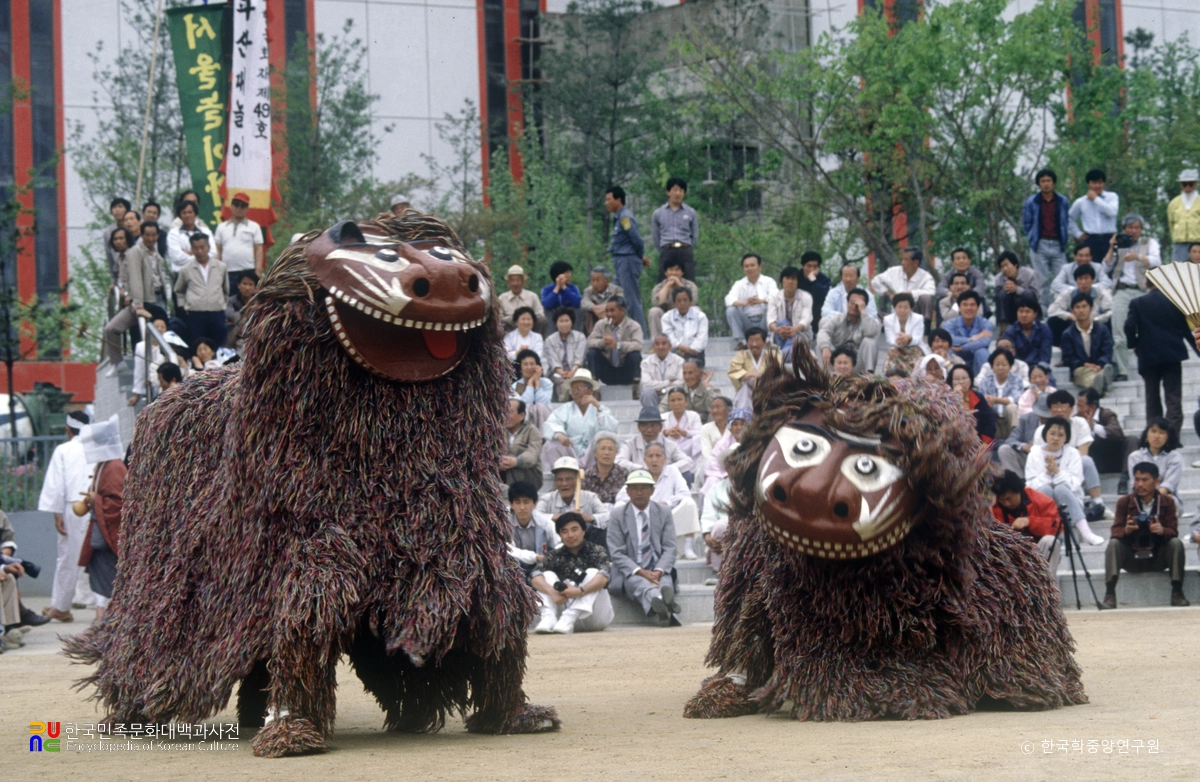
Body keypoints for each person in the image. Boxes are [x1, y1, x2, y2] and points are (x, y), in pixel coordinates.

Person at [1102, 462, 1188, 609]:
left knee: (1176, 543)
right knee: (1114, 544)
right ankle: (1110, 593)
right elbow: (1115, 531)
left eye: (1145, 480)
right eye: (1137, 479)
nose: (1139, 484)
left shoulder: (1167, 502)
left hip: (1158, 555)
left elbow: (1173, 531)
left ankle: (1177, 591)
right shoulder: (1125, 502)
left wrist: (1161, 530)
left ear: (1156, 482)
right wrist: (1127, 530)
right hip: (1132, 555)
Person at [36, 411, 96, 622]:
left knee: (68, 559)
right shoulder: (97, 446)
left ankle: (61, 606)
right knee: (102, 555)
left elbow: (56, 485)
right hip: (97, 504)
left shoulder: (64, 450)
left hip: (74, 507)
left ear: (68, 429)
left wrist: (57, 515)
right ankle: (106, 608)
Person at [605, 469, 680, 625]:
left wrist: (658, 571)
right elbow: (616, 552)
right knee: (641, 584)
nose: (639, 492)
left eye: (644, 488)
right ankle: (665, 604)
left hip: (658, 567)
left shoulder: (664, 512)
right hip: (631, 571)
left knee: (665, 582)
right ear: (627, 491)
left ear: (652, 491)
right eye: (634, 488)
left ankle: (660, 604)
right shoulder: (617, 514)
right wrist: (641, 572)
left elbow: (670, 547)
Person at [1124, 280, 1194, 436]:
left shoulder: (1137, 303)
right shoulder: (1176, 302)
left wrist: (1134, 344)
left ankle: (1155, 436)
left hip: (1148, 355)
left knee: (1152, 399)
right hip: (1172, 354)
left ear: (1147, 284)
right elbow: (1186, 330)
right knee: (1173, 398)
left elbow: (1129, 325)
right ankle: (1172, 437)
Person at [76, 417, 127, 622]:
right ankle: (104, 613)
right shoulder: (103, 465)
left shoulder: (114, 467)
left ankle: (112, 615)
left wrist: (95, 499)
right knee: (99, 569)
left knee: (111, 574)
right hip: (100, 530)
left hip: (109, 533)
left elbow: (119, 502)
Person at [1025, 416, 1104, 546]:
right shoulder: (1034, 454)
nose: (1056, 438)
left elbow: (1075, 483)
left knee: (1060, 488)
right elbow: (1030, 486)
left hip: (1069, 501)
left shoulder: (1073, 453)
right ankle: (1051, 534)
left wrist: (1057, 471)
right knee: (1046, 489)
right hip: (1043, 504)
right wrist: (1047, 474)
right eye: (1052, 433)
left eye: (1061, 435)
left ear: (1066, 438)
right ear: (1045, 434)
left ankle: (1086, 533)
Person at [530, 513, 614, 634]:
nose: (570, 535)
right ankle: (548, 617)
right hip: (562, 617)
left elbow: (604, 577)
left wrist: (579, 591)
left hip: (594, 617)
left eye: (574, 530)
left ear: (583, 531)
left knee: (593, 573)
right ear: (560, 535)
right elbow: (534, 576)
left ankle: (571, 615)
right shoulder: (555, 555)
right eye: (565, 531)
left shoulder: (598, 551)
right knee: (546, 574)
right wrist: (551, 591)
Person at [615, 443, 700, 560]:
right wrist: (642, 504)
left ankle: (688, 547)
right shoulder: (639, 473)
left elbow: (684, 493)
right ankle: (623, 546)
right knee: (619, 506)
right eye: (650, 456)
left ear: (665, 459)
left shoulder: (672, 471)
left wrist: (667, 503)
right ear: (644, 459)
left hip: (668, 516)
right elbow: (620, 497)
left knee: (689, 503)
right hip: (643, 517)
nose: (654, 460)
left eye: (658, 456)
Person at [102, 222, 166, 375]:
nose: (150, 238)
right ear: (141, 236)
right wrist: (138, 304)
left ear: (157, 236)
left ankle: (159, 369)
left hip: (159, 299)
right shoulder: (135, 252)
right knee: (111, 329)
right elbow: (135, 278)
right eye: (147, 235)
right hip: (143, 301)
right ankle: (118, 363)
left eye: (153, 235)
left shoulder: (156, 254)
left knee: (160, 335)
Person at [1103, 212, 1161, 381]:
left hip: (1143, 290)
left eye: (1137, 228)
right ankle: (1123, 370)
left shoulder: (1149, 243)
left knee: (1149, 330)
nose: (1134, 231)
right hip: (1121, 290)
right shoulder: (1119, 244)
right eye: (1130, 227)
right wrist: (1111, 246)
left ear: (1141, 230)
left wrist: (1139, 257)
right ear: (1124, 229)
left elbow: (1157, 260)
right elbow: (1105, 268)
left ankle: (1152, 366)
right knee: (1119, 331)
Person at [540, 370, 618, 470]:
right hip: (570, 452)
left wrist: (598, 407)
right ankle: (563, 472)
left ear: (590, 391)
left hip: (593, 455)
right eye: (572, 390)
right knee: (551, 445)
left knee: (602, 443)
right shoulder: (565, 409)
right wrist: (560, 435)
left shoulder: (601, 409)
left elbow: (611, 430)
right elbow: (550, 423)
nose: (575, 393)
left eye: (578, 389)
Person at [991, 470, 1063, 576]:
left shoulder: (1041, 500)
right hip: (1010, 554)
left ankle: (1048, 586)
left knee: (1050, 541)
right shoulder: (992, 509)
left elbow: (1057, 526)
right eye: (1002, 500)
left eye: (1009, 498)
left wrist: (1030, 521)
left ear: (1019, 491)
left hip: (1039, 550)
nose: (1006, 503)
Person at [1022, 168, 1071, 307]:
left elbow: (1066, 221)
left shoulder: (1062, 201)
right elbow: (1026, 224)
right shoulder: (1032, 202)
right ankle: (1045, 313)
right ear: (1039, 184)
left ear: (1053, 183)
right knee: (1042, 282)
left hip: (1057, 244)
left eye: (1048, 180)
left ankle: (1061, 310)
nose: (1046, 184)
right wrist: (1032, 238)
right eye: (1043, 181)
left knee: (1062, 280)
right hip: (1040, 244)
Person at [174, 233, 229, 349]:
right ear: (191, 249)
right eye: (195, 248)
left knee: (218, 344)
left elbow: (226, 289)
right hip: (195, 313)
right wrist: (184, 306)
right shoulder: (186, 269)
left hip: (216, 312)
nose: (199, 251)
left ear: (208, 247)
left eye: (202, 247)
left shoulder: (221, 267)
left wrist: (222, 304)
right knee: (196, 345)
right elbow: (178, 290)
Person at [1076, 387, 1138, 492]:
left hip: (1115, 458)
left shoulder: (1107, 414)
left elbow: (1117, 434)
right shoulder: (1077, 419)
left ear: (1092, 407)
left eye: (1080, 406)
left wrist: (1094, 427)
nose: (1078, 409)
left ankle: (1124, 479)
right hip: (1097, 462)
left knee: (1132, 440)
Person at [605, 184, 649, 329]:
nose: (606, 203)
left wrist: (638, 257)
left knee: (631, 300)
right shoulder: (618, 218)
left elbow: (636, 239)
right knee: (614, 296)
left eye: (609, 199)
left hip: (627, 261)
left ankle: (641, 335)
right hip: (619, 260)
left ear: (618, 200)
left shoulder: (625, 218)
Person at [616, 405, 695, 481]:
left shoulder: (670, 445)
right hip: (639, 480)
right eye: (645, 425)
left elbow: (687, 461)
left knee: (686, 474)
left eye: (653, 425)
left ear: (660, 427)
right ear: (638, 427)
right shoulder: (629, 444)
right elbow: (619, 461)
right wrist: (643, 469)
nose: (649, 430)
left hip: (665, 480)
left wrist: (664, 469)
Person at [537, 457, 611, 536]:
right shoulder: (547, 499)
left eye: (569, 479)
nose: (564, 484)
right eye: (560, 479)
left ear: (577, 480)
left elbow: (608, 516)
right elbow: (535, 516)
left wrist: (590, 518)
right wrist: (562, 517)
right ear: (555, 481)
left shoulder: (590, 497)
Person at [1059, 292, 1114, 396]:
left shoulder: (1102, 330)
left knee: (1104, 369)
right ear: (1073, 310)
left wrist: (1099, 364)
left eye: (1084, 306)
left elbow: (1107, 351)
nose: (1081, 310)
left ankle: (1101, 380)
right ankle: (1102, 383)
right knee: (1085, 375)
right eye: (1077, 307)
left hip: (1100, 365)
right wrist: (1085, 364)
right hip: (1080, 368)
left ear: (1091, 308)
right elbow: (1068, 358)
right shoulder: (1068, 334)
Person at [585, 297, 644, 392]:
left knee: (635, 355)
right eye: (607, 311)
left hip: (626, 370)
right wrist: (602, 343)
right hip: (607, 370)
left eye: (612, 311)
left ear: (622, 311)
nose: (609, 314)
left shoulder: (634, 325)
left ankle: (635, 389)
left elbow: (639, 345)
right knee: (592, 352)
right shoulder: (601, 324)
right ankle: (595, 389)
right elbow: (589, 342)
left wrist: (618, 345)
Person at [815, 288, 880, 374]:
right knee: (820, 346)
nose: (854, 306)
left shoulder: (869, 321)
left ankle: (868, 378)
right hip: (837, 362)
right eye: (851, 302)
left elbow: (870, 333)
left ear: (864, 306)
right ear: (847, 303)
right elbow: (823, 331)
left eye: (858, 304)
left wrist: (863, 311)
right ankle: (828, 378)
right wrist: (825, 347)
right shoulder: (838, 318)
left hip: (856, 364)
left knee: (870, 342)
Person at [505, 481, 559, 583]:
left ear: (535, 503)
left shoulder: (544, 521)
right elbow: (507, 549)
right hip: (511, 569)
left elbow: (559, 544)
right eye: (517, 502)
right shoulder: (502, 521)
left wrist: (550, 557)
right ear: (510, 504)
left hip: (540, 569)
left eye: (526, 502)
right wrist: (535, 557)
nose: (522, 507)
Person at [1046, 264, 1112, 345]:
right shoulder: (1068, 293)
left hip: (1096, 326)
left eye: (1086, 278)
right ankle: (1061, 346)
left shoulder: (1102, 293)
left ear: (1093, 280)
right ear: (1076, 281)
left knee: (1111, 322)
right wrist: (1069, 316)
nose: (1083, 282)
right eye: (1080, 279)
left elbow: (1112, 312)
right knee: (1053, 321)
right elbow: (1052, 310)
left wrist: (1097, 319)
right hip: (1074, 325)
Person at [724, 253, 778, 349]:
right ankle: (742, 342)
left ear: (760, 267)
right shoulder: (739, 284)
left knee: (774, 305)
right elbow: (728, 299)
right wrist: (745, 303)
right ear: (743, 269)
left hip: (764, 321)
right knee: (731, 310)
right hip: (747, 321)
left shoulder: (769, 281)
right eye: (746, 266)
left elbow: (777, 297)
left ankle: (770, 340)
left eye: (752, 265)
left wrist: (762, 301)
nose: (749, 268)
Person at [1068, 167, 1120, 266]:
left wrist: (1095, 199)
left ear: (1103, 183)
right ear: (1089, 184)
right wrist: (1078, 233)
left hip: (1109, 239)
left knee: (1111, 268)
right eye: (1094, 182)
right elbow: (1069, 219)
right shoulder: (1081, 202)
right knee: (1091, 269)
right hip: (1091, 239)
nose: (1097, 185)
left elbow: (1112, 212)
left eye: (1100, 182)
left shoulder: (1112, 197)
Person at [651, 176, 699, 281]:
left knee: (689, 281)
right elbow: (655, 236)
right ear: (668, 192)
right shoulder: (658, 213)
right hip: (667, 250)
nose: (678, 193)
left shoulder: (691, 212)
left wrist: (688, 247)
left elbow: (695, 235)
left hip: (685, 250)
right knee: (664, 282)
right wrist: (663, 248)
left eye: (681, 190)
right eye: (675, 190)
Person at [1126, 419, 1183, 507]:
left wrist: (1153, 500)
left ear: (1168, 436)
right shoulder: (1135, 456)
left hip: (1165, 496)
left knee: (1170, 501)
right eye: (1153, 431)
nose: (1157, 436)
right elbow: (1135, 482)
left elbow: (1168, 484)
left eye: (1162, 433)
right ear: (1146, 434)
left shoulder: (1174, 457)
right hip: (1140, 496)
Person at [870, 247, 936, 322]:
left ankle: (926, 329)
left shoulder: (925, 276)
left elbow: (931, 292)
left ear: (916, 263)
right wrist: (890, 294)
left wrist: (909, 293)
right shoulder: (894, 271)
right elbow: (875, 281)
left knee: (926, 298)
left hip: (916, 313)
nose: (902, 263)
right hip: (898, 312)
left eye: (906, 260)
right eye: (902, 259)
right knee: (876, 316)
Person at [213, 191, 264, 286]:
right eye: (236, 205)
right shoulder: (221, 227)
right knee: (227, 299)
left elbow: (259, 249)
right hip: (226, 271)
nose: (239, 208)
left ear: (247, 209)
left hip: (247, 271)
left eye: (243, 206)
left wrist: (257, 270)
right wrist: (217, 271)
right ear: (231, 206)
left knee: (248, 300)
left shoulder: (254, 226)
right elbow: (218, 251)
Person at [729, 327, 784, 410]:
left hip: (768, 390)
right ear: (747, 343)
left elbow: (778, 371)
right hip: (746, 392)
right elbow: (734, 372)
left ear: (764, 342)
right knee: (746, 386)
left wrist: (758, 376)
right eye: (751, 341)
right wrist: (752, 375)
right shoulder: (741, 355)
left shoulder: (773, 355)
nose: (754, 344)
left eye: (757, 340)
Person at [766, 265, 813, 361]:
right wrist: (777, 330)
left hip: (800, 334)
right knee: (782, 322)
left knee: (795, 341)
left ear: (798, 282)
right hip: (780, 335)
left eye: (793, 279)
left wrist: (794, 330)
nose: (790, 282)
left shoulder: (806, 297)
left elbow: (806, 318)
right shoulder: (774, 297)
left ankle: (780, 356)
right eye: (787, 278)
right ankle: (792, 353)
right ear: (782, 280)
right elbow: (770, 319)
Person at [977, 348, 1025, 441]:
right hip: (994, 421)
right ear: (992, 366)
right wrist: (988, 402)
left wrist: (995, 400)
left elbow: (1016, 398)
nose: (1001, 368)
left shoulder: (1017, 379)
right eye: (997, 364)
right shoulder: (986, 380)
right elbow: (981, 398)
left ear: (1010, 366)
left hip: (1010, 421)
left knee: (1012, 407)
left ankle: (1016, 438)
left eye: (1004, 364)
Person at [944, 290, 994, 376]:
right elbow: (949, 339)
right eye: (965, 305)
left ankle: (983, 381)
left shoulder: (985, 323)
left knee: (982, 351)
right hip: (957, 356)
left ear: (978, 307)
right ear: (959, 307)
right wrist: (973, 338)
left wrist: (962, 348)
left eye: (972, 305)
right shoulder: (950, 323)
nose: (968, 308)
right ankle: (953, 380)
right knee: (950, 350)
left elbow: (985, 342)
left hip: (976, 357)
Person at [647, 258, 698, 339]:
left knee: (696, 309)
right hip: (666, 317)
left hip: (684, 315)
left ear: (682, 272)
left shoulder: (690, 285)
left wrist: (678, 284)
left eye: (677, 270)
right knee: (654, 311)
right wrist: (667, 286)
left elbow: (692, 302)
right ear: (666, 272)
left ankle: (692, 341)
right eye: (671, 270)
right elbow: (657, 303)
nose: (674, 273)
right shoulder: (659, 287)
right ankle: (656, 343)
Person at [544, 308, 587, 402]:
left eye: (567, 321)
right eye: (561, 321)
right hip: (558, 372)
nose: (564, 324)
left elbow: (579, 358)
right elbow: (553, 361)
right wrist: (562, 373)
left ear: (572, 322)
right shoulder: (549, 340)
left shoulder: (580, 337)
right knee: (560, 381)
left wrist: (572, 372)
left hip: (576, 370)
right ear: (556, 323)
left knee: (579, 379)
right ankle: (565, 398)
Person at [501, 398, 544, 488]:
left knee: (512, 466)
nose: (506, 416)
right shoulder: (497, 431)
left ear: (522, 415)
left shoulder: (532, 431)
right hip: (503, 472)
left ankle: (513, 496)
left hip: (529, 474)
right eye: (504, 411)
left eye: (510, 412)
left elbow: (532, 454)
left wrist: (516, 461)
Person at [948, 364, 996, 444]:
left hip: (978, 442)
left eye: (964, 378)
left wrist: (985, 443)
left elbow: (989, 422)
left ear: (970, 380)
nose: (961, 382)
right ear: (951, 382)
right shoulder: (946, 399)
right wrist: (957, 399)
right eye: (956, 379)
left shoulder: (979, 398)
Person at [661, 286, 708, 366]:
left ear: (690, 301)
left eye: (685, 300)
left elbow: (701, 339)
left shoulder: (701, 317)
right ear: (674, 302)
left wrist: (688, 351)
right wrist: (682, 349)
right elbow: (669, 338)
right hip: (674, 352)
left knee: (692, 363)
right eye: (679, 301)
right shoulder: (667, 317)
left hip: (695, 353)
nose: (682, 303)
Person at [165, 200, 214, 278]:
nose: (187, 215)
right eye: (184, 213)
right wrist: (201, 255)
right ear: (180, 215)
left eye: (190, 212)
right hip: (181, 275)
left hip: (203, 275)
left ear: (195, 214)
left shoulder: (206, 232)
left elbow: (213, 253)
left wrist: (189, 252)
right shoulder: (173, 233)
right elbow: (177, 257)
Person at [991, 252, 1039, 331]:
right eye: (1002, 266)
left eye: (1006, 265)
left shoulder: (1030, 274)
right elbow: (997, 299)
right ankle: (1003, 328)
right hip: (1010, 309)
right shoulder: (999, 278)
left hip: (1028, 307)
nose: (1005, 269)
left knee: (1027, 296)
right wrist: (1006, 288)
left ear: (1015, 264)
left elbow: (1035, 296)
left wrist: (1017, 289)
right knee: (1002, 294)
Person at [1002, 296, 1053, 367]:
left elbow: (1045, 356)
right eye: (1021, 311)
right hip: (1018, 369)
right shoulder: (1010, 332)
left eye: (1027, 311)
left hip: (1039, 368)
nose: (1023, 315)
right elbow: (1009, 357)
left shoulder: (1044, 330)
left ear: (1035, 314)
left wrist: (1038, 371)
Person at [882, 292, 927, 373]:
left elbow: (918, 338)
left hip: (913, 346)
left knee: (915, 351)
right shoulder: (888, 319)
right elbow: (890, 339)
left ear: (911, 308)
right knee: (893, 351)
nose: (902, 310)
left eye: (906, 307)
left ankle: (913, 378)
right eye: (899, 307)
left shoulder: (918, 318)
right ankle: (890, 379)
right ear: (894, 307)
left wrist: (909, 338)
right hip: (897, 346)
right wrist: (901, 340)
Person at [639, 334, 685, 410]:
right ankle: (652, 419)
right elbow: (646, 384)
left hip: (671, 395)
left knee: (677, 392)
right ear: (653, 347)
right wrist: (668, 382)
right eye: (657, 344)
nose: (660, 347)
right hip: (654, 396)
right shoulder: (646, 362)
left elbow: (681, 383)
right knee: (647, 392)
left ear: (670, 346)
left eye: (664, 344)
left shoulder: (679, 361)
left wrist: (663, 391)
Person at [582, 432, 628, 505]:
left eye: (610, 449)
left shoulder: (623, 473)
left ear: (616, 453)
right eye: (602, 449)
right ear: (595, 453)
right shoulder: (587, 475)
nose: (607, 453)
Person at [935, 247, 988, 312]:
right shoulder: (948, 275)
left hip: (971, 298)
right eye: (958, 259)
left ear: (969, 261)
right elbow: (940, 288)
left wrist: (967, 294)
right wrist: (951, 293)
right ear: (952, 262)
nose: (961, 261)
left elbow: (981, 288)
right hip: (953, 298)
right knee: (940, 300)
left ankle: (981, 321)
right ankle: (941, 322)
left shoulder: (977, 273)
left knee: (981, 299)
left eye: (964, 258)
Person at [662, 387, 703, 467]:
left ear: (686, 401)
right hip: (669, 448)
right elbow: (656, 434)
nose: (676, 403)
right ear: (669, 403)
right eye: (673, 400)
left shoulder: (694, 415)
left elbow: (700, 432)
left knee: (699, 438)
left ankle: (696, 466)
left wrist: (684, 432)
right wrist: (667, 432)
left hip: (687, 447)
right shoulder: (663, 417)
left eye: (679, 399)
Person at [498, 265, 546, 333]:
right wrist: (514, 318)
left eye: (518, 280)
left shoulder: (532, 296)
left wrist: (527, 319)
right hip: (510, 330)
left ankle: (536, 340)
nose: (515, 283)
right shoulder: (502, 298)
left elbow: (540, 314)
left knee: (542, 320)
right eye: (512, 280)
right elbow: (499, 317)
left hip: (530, 329)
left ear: (523, 282)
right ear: (508, 283)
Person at [1166, 168, 1200, 261]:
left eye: (1191, 184)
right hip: (1180, 244)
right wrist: (1177, 237)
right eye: (1184, 184)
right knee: (1179, 270)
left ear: (1196, 184)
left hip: (1198, 243)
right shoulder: (1174, 203)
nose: (1187, 187)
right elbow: (1171, 224)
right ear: (1181, 185)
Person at [579, 266, 624, 335]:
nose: (595, 283)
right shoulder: (588, 291)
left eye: (598, 280)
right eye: (593, 280)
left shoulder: (617, 290)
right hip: (594, 318)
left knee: (614, 311)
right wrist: (594, 308)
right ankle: (592, 337)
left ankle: (613, 335)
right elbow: (584, 302)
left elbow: (621, 301)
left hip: (610, 317)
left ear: (607, 281)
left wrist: (605, 308)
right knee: (588, 313)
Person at [797, 252, 833, 334]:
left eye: (815, 267)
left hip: (816, 313)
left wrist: (813, 280)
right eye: (809, 266)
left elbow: (824, 297)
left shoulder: (824, 279)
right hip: (798, 312)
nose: (811, 269)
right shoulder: (796, 276)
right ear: (802, 266)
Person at [103, 197, 132, 285]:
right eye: (114, 207)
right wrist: (113, 280)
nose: (117, 210)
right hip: (118, 271)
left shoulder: (132, 228)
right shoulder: (108, 232)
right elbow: (109, 256)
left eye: (120, 207)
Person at [700, 396, 733, 461]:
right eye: (712, 408)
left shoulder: (735, 426)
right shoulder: (705, 428)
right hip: (711, 464)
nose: (714, 411)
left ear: (729, 410)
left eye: (718, 407)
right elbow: (706, 452)